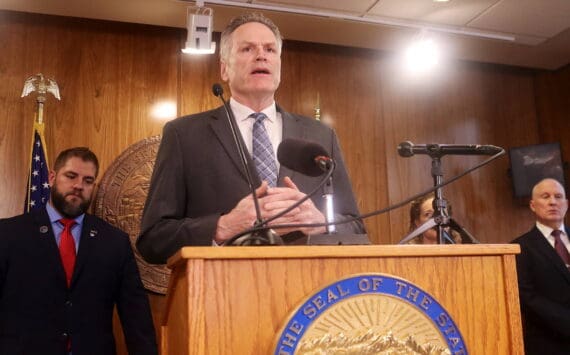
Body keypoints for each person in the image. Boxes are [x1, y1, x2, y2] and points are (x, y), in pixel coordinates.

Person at [137, 12, 364, 264]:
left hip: (310, 293)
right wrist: (223, 226)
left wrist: (321, 223)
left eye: (270, 49)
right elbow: (153, 239)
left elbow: (356, 228)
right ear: (224, 69)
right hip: (222, 291)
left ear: (279, 65)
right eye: (247, 49)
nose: (261, 55)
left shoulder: (320, 136)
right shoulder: (184, 135)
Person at [0, 147, 157, 355]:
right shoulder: (9, 233)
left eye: (88, 180)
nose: (78, 186)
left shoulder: (114, 242)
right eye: (71, 176)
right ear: (52, 177)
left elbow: (136, 317)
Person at [511, 178, 570, 354]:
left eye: (558, 196)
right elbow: (527, 297)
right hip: (547, 344)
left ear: (566, 204)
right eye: (545, 197)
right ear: (532, 205)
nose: (553, 202)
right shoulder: (519, 247)